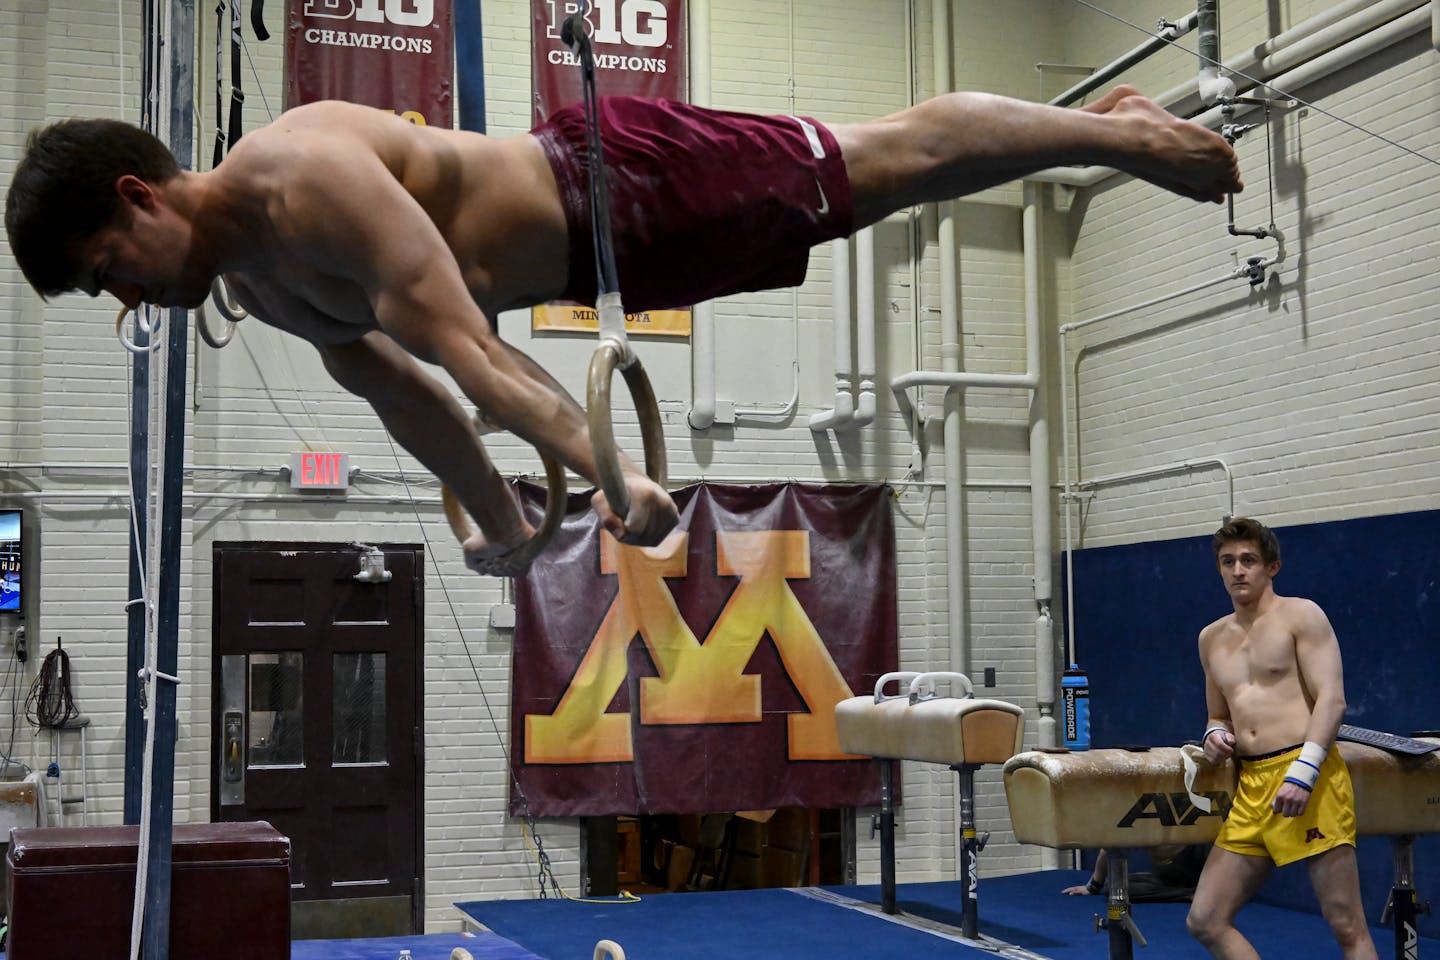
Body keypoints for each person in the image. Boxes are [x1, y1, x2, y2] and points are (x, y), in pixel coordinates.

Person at [4, 87, 1242, 574]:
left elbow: (472, 355)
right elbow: (407, 397)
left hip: (617, 180)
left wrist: (615, 472)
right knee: (859, 211)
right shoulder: (254, 284)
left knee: (889, 165)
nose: (129, 301)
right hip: (617, 264)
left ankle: (1119, 135)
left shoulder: (303, 177)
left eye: (111, 270)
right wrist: (499, 516)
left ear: (139, 196)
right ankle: (1098, 128)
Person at [1186, 518, 1376, 959]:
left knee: (1347, 925)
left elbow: (1332, 699)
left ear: (1272, 567)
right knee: (1206, 919)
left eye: (1248, 560)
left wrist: (1305, 772)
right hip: (1251, 786)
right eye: (1228, 561)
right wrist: (1215, 734)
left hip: (1308, 778)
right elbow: (1218, 713)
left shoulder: (1300, 615)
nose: (1238, 571)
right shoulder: (1210, 638)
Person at [1061, 844, 1208, 902]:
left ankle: (1198, 891)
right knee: (1113, 888)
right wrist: (1092, 887)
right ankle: (1190, 893)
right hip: (1169, 878)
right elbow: (1108, 849)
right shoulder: (1138, 821)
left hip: (1201, 865)